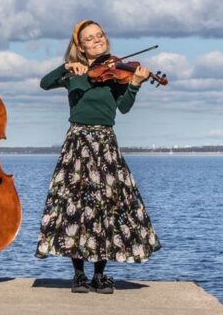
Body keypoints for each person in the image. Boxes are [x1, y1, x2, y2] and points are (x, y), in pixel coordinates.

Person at [34, 19, 162, 295]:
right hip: (78, 142)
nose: (97, 40)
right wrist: (67, 67)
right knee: (75, 206)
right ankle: (79, 275)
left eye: (100, 35)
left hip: (105, 143)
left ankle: (100, 275)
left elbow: (123, 107)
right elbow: (45, 83)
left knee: (106, 206)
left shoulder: (116, 71)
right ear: (80, 46)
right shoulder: (72, 74)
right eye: (90, 38)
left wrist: (135, 84)